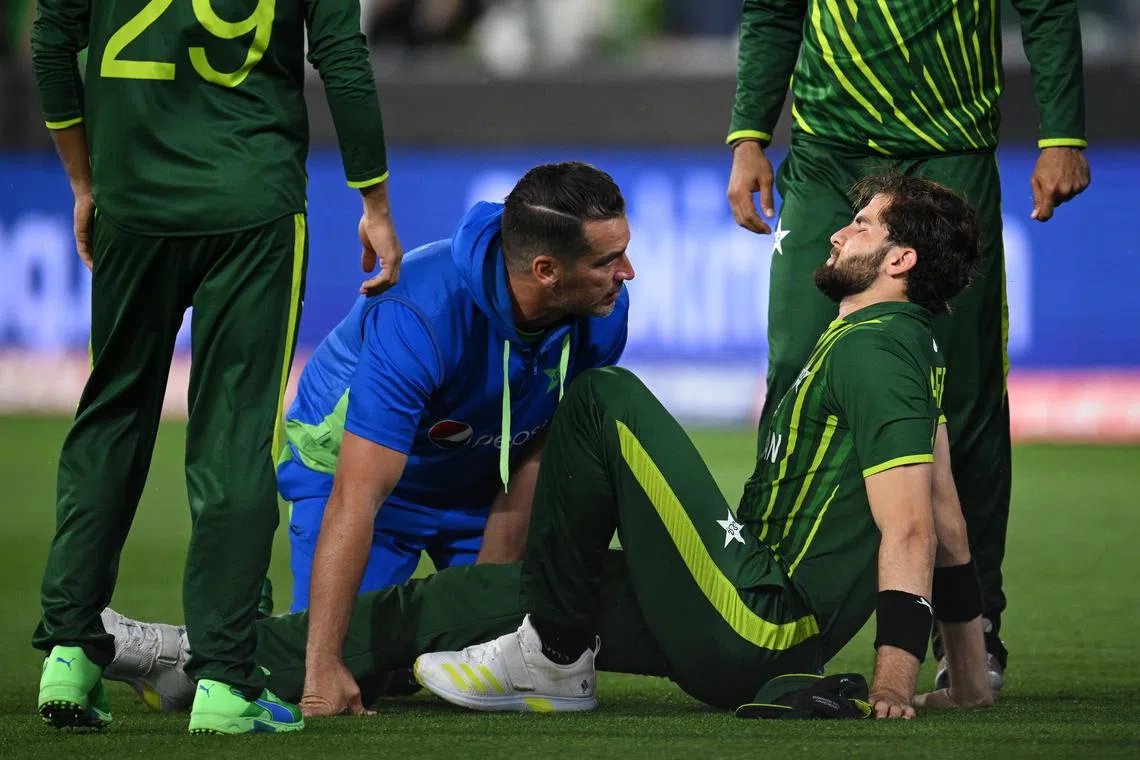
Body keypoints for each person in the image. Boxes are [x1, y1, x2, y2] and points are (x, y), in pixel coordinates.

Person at [101, 175, 994, 721]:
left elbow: (913, 529)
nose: (839, 230)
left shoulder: (875, 349)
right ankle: (205, 660)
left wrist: (891, 678)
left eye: (863, 225)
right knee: (478, 602)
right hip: (742, 601)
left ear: (899, 262)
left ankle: (555, 654)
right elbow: (951, 522)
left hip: (762, 614)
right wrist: (967, 679)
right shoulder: (898, 350)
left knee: (602, 399)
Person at [30, 0, 403, 735]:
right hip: (252, 205)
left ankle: (70, 651)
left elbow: (50, 43)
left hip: (132, 201)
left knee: (111, 415)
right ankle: (225, 683)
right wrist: (376, 203)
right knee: (235, 434)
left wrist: (83, 182)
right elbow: (341, 56)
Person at [725, 0, 1092, 690]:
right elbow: (773, 10)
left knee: (962, 394)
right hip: (826, 150)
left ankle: (972, 631)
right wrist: (748, 135)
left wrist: (1062, 133)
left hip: (948, 143)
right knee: (795, 372)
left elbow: (1046, 7)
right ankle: (766, 600)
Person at [279, 161, 632, 616]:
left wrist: (481, 614)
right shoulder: (422, 312)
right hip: (356, 479)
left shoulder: (602, 313)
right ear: (546, 270)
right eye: (607, 261)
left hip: (478, 482)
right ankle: (214, 647)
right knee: (341, 647)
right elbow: (356, 497)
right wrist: (325, 655)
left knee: (506, 638)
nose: (628, 273)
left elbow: (541, 452)